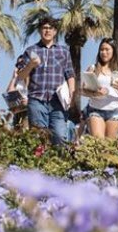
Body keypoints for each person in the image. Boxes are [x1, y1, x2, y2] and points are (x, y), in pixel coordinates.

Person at [15, 16, 75, 146]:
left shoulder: (64, 51)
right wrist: (31, 65)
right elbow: (20, 75)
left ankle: (60, 164)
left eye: (50, 28)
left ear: (55, 31)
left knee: (59, 136)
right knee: (38, 138)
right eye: (44, 28)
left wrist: (71, 93)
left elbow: (70, 74)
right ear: (39, 30)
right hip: (37, 100)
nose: (47, 31)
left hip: (58, 102)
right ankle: (38, 165)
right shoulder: (31, 50)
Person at [81, 38, 118, 139]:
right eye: (102, 50)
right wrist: (96, 94)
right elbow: (82, 90)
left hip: (114, 111)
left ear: (113, 51)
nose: (104, 52)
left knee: (109, 147)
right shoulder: (92, 68)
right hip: (95, 110)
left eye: (107, 49)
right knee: (98, 143)